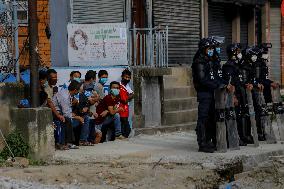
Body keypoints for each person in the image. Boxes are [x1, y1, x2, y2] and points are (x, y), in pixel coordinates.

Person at [192, 38, 234, 153]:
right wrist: (219, 85)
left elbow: (216, 77)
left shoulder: (212, 60)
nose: (211, 50)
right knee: (203, 118)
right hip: (204, 93)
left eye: (212, 48)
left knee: (212, 118)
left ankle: (210, 141)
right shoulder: (199, 62)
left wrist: (224, 84)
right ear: (203, 49)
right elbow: (203, 80)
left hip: (213, 93)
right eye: (209, 48)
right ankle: (202, 143)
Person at [222, 43, 250, 146]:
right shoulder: (229, 66)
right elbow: (229, 83)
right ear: (233, 53)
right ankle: (231, 139)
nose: (240, 54)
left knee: (238, 117)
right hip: (233, 96)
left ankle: (238, 137)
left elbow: (238, 81)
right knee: (231, 118)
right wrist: (233, 97)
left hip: (239, 94)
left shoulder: (236, 65)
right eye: (238, 52)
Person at [52, 80, 83, 150]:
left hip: (61, 112)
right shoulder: (64, 96)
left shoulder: (68, 93)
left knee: (71, 120)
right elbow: (66, 113)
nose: (78, 92)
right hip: (54, 113)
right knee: (67, 120)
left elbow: (67, 110)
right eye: (78, 91)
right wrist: (77, 117)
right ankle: (64, 143)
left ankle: (69, 142)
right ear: (75, 90)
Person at [119, 69, 134, 137]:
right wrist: (128, 97)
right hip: (120, 108)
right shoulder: (119, 86)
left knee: (125, 126)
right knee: (124, 127)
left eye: (128, 77)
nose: (127, 79)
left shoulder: (127, 85)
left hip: (126, 108)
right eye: (126, 77)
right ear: (122, 76)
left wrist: (127, 97)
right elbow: (124, 100)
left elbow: (133, 94)